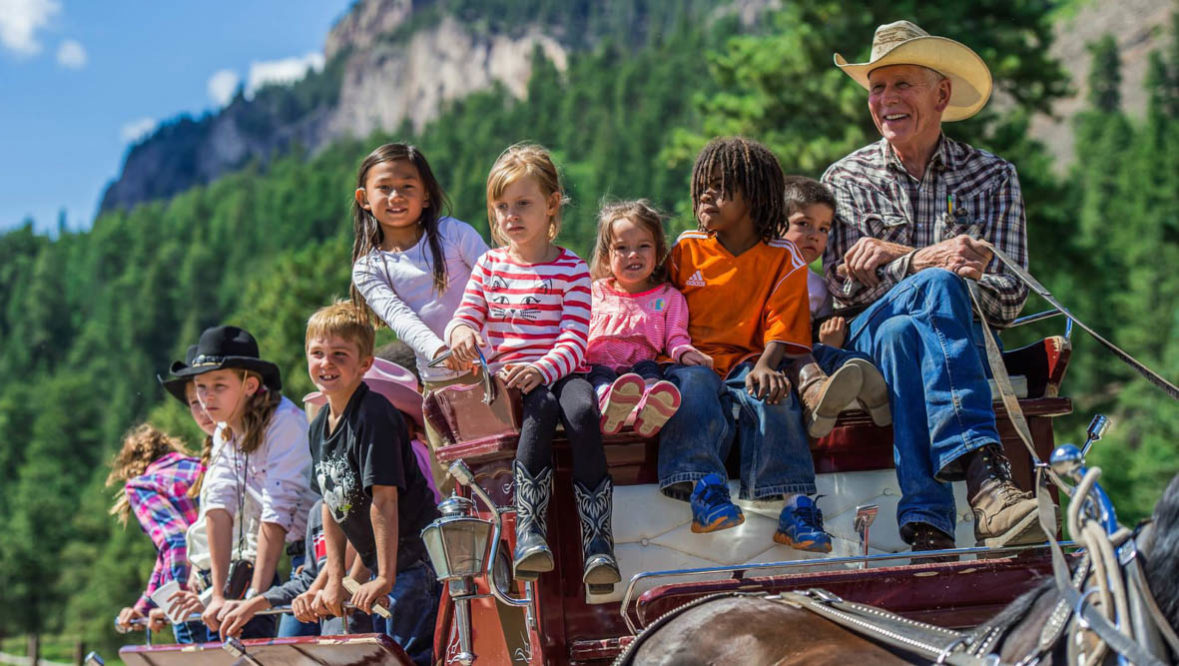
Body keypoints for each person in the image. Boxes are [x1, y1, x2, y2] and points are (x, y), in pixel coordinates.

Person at [822, 20, 1042, 553]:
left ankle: (927, 520)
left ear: (941, 94)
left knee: (906, 332)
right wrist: (928, 260)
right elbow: (844, 291)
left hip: (917, 337)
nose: (886, 100)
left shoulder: (993, 177)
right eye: (877, 87)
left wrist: (898, 259)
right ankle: (987, 481)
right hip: (863, 339)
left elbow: (1010, 298)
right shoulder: (846, 180)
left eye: (903, 85)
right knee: (937, 287)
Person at [658, 137, 854, 553]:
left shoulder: (784, 257)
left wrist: (768, 365)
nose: (706, 196)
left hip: (751, 360)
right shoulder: (685, 249)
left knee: (775, 395)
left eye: (720, 186)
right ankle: (706, 491)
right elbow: (658, 307)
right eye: (703, 187)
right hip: (693, 360)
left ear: (754, 196)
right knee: (691, 386)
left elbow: (783, 323)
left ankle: (796, 508)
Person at [445, 143, 620, 593]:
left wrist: (544, 367)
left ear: (552, 204)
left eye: (523, 204)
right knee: (539, 409)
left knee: (581, 411)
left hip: (562, 369)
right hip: (512, 382)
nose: (511, 216)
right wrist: (461, 333)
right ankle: (530, 532)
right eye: (501, 207)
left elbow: (574, 337)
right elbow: (466, 317)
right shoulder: (488, 266)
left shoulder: (572, 269)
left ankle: (597, 539)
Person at [349, 142, 489, 495]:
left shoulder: (453, 233)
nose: (396, 196)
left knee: (499, 464)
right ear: (364, 198)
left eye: (407, 186)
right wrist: (443, 351)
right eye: (384, 187)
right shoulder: (369, 267)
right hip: (439, 382)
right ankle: (465, 551)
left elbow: (494, 282)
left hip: (491, 369)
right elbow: (401, 318)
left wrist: (471, 336)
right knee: (453, 482)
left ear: (426, 195)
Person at [305, 302, 440, 665]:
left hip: (413, 559)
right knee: (355, 655)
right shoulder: (319, 427)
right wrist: (334, 579)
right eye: (317, 353)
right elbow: (332, 507)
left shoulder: (375, 415)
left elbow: (384, 500)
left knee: (405, 658)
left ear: (364, 364)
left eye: (339, 354)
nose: (326, 363)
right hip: (376, 567)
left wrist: (385, 576)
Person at [166, 325, 316, 638]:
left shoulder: (285, 421)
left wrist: (252, 599)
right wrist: (220, 595)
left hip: (313, 556)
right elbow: (218, 510)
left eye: (219, 385)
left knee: (290, 650)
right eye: (201, 386)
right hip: (274, 559)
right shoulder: (224, 431)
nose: (207, 398)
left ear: (249, 385)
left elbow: (277, 513)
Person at [586, 199, 711, 437]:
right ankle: (611, 407)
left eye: (643, 246)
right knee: (599, 383)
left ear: (658, 252)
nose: (633, 254)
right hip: (599, 366)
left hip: (642, 365)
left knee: (652, 380)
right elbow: (579, 332)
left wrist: (685, 353)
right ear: (605, 257)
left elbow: (676, 337)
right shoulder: (594, 292)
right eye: (621, 248)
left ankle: (648, 410)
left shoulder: (668, 297)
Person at [782, 176, 891, 429]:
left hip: (809, 352)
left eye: (823, 229)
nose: (814, 236)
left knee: (844, 356)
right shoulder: (762, 272)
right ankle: (825, 404)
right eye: (803, 224)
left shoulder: (819, 287)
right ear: (776, 225)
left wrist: (830, 341)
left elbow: (819, 331)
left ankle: (877, 401)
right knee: (818, 355)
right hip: (779, 356)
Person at [108, 423, 203, 643]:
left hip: (191, 602)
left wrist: (173, 604)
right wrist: (143, 608)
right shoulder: (202, 467)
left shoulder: (143, 485)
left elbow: (177, 544)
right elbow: (167, 555)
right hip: (234, 588)